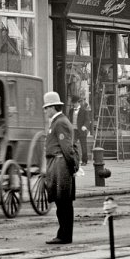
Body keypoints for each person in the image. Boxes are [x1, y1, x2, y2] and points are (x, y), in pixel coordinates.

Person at [42, 93, 78, 245]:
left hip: (60, 164)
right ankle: (63, 234)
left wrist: (73, 166)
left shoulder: (60, 123)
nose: (45, 111)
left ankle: (64, 235)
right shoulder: (57, 121)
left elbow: (67, 147)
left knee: (63, 202)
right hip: (57, 164)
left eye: (46, 108)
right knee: (61, 202)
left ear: (52, 107)